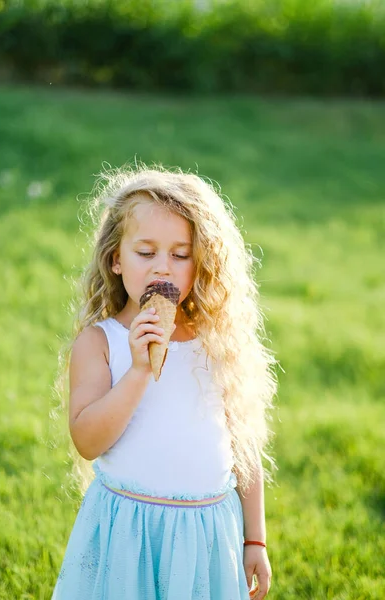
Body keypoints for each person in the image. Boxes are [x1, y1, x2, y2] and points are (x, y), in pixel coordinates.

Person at [52, 164, 278, 600]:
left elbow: (243, 447)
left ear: (201, 263)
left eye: (180, 254)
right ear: (116, 258)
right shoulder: (101, 343)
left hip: (206, 532)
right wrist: (138, 371)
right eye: (146, 252)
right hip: (129, 531)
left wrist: (255, 539)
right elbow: (87, 440)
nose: (163, 268)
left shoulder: (217, 343)